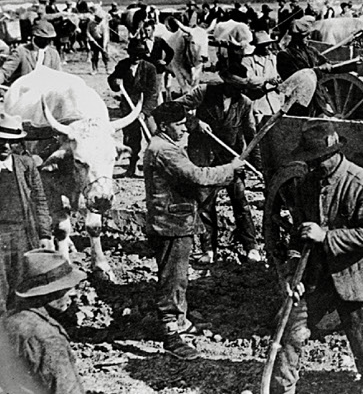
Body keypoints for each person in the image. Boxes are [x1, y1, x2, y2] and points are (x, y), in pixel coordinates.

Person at [270, 120, 363, 394]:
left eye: (317, 161)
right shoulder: (305, 184)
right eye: (309, 161)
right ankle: (283, 389)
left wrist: (325, 236)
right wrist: (291, 272)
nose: (311, 167)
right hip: (318, 278)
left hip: (360, 279)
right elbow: (297, 236)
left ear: (334, 155)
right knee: (290, 327)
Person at [143, 101, 245, 360]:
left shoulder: (166, 145)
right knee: (173, 279)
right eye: (178, 125)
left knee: (180, 276)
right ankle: (171, 334)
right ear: (165, 125)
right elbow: (197, 176)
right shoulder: (164, 151)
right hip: (170, 225)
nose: (183, 129)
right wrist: (229, 170)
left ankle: (181, 320)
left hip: (176, 221)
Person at [174, 64, 262, 264]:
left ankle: (251, 247)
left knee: (240, 202)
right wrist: (194, 121)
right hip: (204, 157)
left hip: (231, 159)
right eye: (233, 86)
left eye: (240, 88)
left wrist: (256, 165)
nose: (236, 91)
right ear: (225, 82)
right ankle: (209, 250)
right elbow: (175, 107)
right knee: (205, 203)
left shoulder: (245, 103)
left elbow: (251, 136)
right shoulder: (204, 92)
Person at [0, 248, 86, 394]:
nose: (73, 294)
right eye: (66, 287)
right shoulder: (48, 338)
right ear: (48, 293)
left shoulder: (6, 320)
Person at [0, 111, 53, 319]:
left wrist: (45, 235)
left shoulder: (25, 165)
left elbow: (40, 201)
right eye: (1, 141)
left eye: (12, 142)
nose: (6, 147)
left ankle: (20, 334)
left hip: (22, 235)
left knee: (22, 288)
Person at [107, 40, 158, 177]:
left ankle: (155, 167)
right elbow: (112, 80)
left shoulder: (150, 68)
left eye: (140, 55)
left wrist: (144, 112)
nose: (136, 58)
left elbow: (153, 93)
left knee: (153, 136)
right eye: (134, 54)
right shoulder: (123, 65)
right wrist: (115, 82)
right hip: (128, 109)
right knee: (130, 139)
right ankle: (132, 167)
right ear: (129, 53)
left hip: (147, 109)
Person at [0, 20, 61, 87]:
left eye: (50, 39)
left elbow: (58, 76)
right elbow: (5, 70)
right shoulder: (21, 51)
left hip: (46, 93)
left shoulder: (53, 54)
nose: (47, 42)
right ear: (35, 36)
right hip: (23, 93)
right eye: (44, 39)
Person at [243, 31, 283, 120]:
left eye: (268, 44)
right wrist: (267, 79)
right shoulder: (248, 60)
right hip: (257, 102)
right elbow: (249, 80)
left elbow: (281, 75)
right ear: (257, 46)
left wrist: (279, 80)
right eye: (264, 45)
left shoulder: (274, 59)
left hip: (275, 102)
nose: (268, 47)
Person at [138, 19, 174, 101]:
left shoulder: (159, 41)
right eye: (145, 30)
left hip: (158, 70)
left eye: (149, 30)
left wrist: (165, 61)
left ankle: (158, 108)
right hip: (145, 71)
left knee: (157, 90)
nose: (147, 32)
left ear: (153, 30)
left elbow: (170, 52)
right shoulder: (141, 42)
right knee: (146, 90)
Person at [87, 10, 110, 75]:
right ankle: (95, 69)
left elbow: (106, 35)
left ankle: (107, 69)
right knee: (94, 56)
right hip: (93, 41)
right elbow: (88, 32)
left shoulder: (104, 24)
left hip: (102, 40)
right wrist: (92, 40)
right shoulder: (90, 23)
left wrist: (104, 46)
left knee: (105, 55)